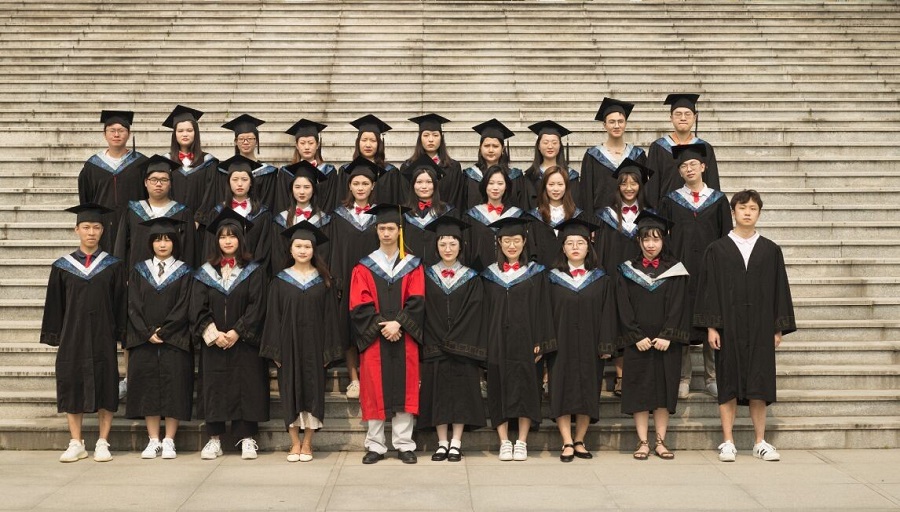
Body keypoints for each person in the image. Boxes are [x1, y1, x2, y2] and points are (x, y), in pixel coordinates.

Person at [693, 189, 796, 463]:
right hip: (728, 326)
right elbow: (709, 290)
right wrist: (711, 327)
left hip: (761, 326)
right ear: (733, 212)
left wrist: (777, 327)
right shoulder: (717, 249)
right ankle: (728, 441)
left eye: (753, 208)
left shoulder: (770, 250)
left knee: (760, 383)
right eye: (742, 208)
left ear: (759, 213)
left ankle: (760, 442)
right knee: (727, 382)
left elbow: (779, 290)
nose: (747, 212)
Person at [41, 204, 126, 463]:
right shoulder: (62, 267)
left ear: (102, 231)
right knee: (72, 383)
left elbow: (120, 303)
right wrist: (56, 335)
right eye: (86, 227)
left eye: (96, 227)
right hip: (72, 336)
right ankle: (76, 442)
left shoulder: (113, 266)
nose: (91, 232)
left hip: (103, 335)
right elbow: (55, 305)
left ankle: (103, 441)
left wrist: (121, 334)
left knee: (106, 383)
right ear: (76, 230)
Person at [260, 222, 343, 463]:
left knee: (313, 392)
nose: (303, 250)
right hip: (288, 346)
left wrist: (328, 351)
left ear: (314, 250)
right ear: (291, 249)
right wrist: (275, 350)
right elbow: (273, 317)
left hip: (316, 346)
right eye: (298, 246)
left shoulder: (324, 281)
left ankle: (307, 443)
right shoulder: (280, 281)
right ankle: (294, 442)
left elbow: (331, 318)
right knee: (289, 391)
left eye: (307, 246)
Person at [349, 204, 425, 465]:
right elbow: (359, 304)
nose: (386, 233)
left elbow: (417, 300)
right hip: (376, 339)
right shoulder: (364, 266)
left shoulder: (412, 265)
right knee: (374, 390)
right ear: (376, 230)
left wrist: (399, 324)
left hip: (404, 338)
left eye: (391, 228)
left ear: (399, 231)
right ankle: (375, 445)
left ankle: (404, 444)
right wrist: (384, 326)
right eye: (382, 228)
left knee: (405, 389)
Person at [191, 209, 269, 460]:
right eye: (223, 236)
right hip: (215, 342)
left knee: (247, 385)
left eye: (232, 236)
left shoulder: (254, 271)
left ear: (240, 239)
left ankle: (246, 438)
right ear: (216, 240)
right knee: (213, 386)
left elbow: (257, 305)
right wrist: (213, 333)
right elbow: (197, 306)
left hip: (244, 342)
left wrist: (237, 331)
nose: (227, 241)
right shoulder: (205, 273)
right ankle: (214, 439)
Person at [659, 143, 732, 399]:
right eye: (683, 166)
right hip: (681, 270)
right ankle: (684, 377)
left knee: (713, 319)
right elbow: (664, 238)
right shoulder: (670, 200)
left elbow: (726, 236)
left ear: (703, 166)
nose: (688, 169)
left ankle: (712, 376)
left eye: (693, 164)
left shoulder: (718, 200)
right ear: (679, 172)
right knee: (681, 321)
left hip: (711, 271)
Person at [616, 210, 690, 460]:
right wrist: (635, 336)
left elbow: (679, 305)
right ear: (638, 241)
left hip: (665, 343)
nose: (651, 244)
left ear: (663, 240)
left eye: (656, 239)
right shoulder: (627, 270)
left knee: (663, 391)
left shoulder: (675, 270)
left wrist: (668, 335)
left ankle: (660, 441)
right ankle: (642, 442)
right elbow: (623, 306)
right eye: (646, 239)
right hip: (638, 343)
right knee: (639, 391)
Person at [481, 217, 555, 461]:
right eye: (506, 241)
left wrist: (541, 342)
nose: (511, 245)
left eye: (516, 240)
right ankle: (504, 441)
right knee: (497, 388)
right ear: (499, 243)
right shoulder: (489, 275)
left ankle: (522, 441)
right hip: (497, 340)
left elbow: (544, 309)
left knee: (527, 387)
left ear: (524, 242)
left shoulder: (536, 274)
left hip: (527, 341)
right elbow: (484, 312)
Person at [547, 218, 617, 462]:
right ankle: (566, 440)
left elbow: (608, 313)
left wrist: (606, 344)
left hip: (590, 344)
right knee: (561, 389)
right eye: (570, 243)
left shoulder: (601, 279)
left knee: (588, 389)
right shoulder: (551, 279)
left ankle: (580, 440)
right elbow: (545, 313)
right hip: (560, 344)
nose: (575, 247)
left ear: (589, 247)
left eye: (580, 243)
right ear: (563, 248)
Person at [418, 216, 486, 462]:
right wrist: (439, 336)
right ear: (436, 246)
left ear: (460, 246)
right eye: (443, 244)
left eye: (452, 244)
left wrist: (454, 338)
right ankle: (442, 443)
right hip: (435, 344)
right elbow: (423, 309)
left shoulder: (472, 277)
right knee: (438, 394)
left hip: (462, 346)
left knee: (461, 394)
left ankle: (456, 442)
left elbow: (475, 310)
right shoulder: (425, 275)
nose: (448, 249)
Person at [125, 217, 194, 460]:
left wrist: (164, 332)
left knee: (175, 386)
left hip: (175, 339)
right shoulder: (139, 270)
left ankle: (169, 440)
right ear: (150, 243)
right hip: (144, 339)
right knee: (148, 388)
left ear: (175, 242)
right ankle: (153, 439)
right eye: (157, 240)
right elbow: (133, 304)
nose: (162, 244)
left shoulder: (185, 271)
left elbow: (184, 305)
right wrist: (146, 332)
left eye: (167, 240)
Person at [593, 158, 653, 396]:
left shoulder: (650, 215)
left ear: (641, 186)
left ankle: (636, 374)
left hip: (641, 277)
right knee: (617, 322)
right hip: (613, 274)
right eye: (624, 183)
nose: (629, 188)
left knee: (637, 321)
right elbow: (601, 249)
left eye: (634, 183)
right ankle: (620, 376)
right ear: (617, 186)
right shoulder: (605, 215)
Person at [328, 156, 384, 400]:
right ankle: (354, 379)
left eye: (365, 183)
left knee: (372, 327)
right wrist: (338, 281)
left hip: (375, 280)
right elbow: (335, 250)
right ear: (349, 186)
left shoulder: (381, 215)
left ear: (373, 186)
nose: (360, 187)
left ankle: (372, 377)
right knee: (349, 329)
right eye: (356, 183)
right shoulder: (339, 216)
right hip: (348, 280)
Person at [77, 110, 148, 253]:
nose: (116, 135)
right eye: (112, 131)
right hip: (103, 225)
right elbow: (86, 199)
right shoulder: (92, 166)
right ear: (105, 134)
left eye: (121, 130)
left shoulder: (141, 163)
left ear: (128, 134)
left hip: (134, 224)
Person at [114, 154, 197, 269]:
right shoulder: (132, 211)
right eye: (153, 180)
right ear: (145, 182)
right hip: (138, 276)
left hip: (174, 276)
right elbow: (121, 248)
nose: (158, 184)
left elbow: (189, 251)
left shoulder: (183, 213)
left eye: (164, 180)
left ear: (170, 184)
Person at [645, 94, 720, 208]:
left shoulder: (705, 148)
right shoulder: (658, 147)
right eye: (678, 114)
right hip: (666, 210)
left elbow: (712, 183)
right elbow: (652, 186)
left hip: (698, 211)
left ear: (695, 117)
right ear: (671, 118)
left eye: (687, 114)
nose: (683, 118)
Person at [204, 155, 273, 273]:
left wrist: (253, 273)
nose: (240, 184)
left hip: (252, 274)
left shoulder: (262, 214)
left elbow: (264, 249)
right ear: (228, 183)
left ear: (251, 183)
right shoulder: (217, 213)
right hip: (222, 272)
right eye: (235, 179)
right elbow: (210, 247)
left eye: (244, 179)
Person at [579, 98, 646, 211]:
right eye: (612, 122)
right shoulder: (592, 156)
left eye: (620, 121)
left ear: (625, 124)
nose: (616, 126)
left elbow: (645, 189)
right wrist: (589, 220)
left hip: (632, 216)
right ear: (604, 125)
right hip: (601, 217)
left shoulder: (638, 155)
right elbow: (586, 192)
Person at [162, 105, 218, 228]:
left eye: (189, 130)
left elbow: (211, 192)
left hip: (200, 226)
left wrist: (198, 219)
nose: (185, 134)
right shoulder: (166, 161)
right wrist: (173, 217)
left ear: (195, 133)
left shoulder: (208, 162)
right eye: (180, 131)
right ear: (174, 134)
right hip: (172, 224)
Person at [209, 114, 280, 212]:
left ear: (256, 141)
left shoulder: (267, 172)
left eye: (250, 138)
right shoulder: (224, 170)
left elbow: (269, 201)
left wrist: (257, 217)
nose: (245, 142)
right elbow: (221, 198)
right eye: (241, 139)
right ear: (235, 142)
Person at [271, 161, 331, 275]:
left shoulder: (324, 220)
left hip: (315, 277)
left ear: (313, 190)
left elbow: (324, 253)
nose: (302, 192)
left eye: (307, 187)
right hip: (287, 277)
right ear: (292, 190)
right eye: (297, 187)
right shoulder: (281, 220)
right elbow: (278, 254)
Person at [462, 165, 524, 272]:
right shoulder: (472, 216)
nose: (495, 188)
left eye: (500, 183)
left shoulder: (516, 215)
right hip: (480, 272)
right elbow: (468, 250)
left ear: (506, 186)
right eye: (491, 183)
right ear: (484, 185)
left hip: (509, 272)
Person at [525, 165, 584, 267]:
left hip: (569, 273)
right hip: (542, 272)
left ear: (566, 187)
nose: (556, 189)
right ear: (544, 187)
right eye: (551, 184)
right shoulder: (534, 217)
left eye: (560, 184)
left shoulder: (577, 216)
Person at [402, 113, 465, 209]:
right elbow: (406, 198)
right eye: (426, 135)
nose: (431, 139)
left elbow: (456, 198)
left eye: (435, 135)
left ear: (441, 138)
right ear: (420, 138)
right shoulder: (408, 166)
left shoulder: (453, 167)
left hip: (445, 216)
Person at [401, 155, 454, 266]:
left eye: (429, 182)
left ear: (435, 184)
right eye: (419, 182)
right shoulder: (403, 212)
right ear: (413, 185)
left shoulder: (447, 211)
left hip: (438, 268)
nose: (424, 186)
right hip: (410, 268)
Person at [278, 118, 339, 213]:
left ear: (317, 145)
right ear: (297, 145)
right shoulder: (286, 173)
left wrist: (320, 219)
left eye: (311, 143)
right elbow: (282, 202)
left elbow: (331, 202)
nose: (307, 147)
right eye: (302, 143)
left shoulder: (329, 172)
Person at [463, 119, 527, 210]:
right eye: (486, 146)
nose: (491, 150)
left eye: (495, 146)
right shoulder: (469, 176)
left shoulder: (515, 177)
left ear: (502, 149)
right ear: (480, 148)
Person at [343, 114, 402, 204]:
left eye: (373, 140)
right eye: (364, 140)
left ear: (379, 144)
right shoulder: (346, 171)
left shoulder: (390, 172)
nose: (368, 145)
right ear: (358, 142)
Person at [524, 120, 580, 210]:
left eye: (554, 143)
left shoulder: (571, 176)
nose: (550, 146)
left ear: (560, 146)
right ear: (538, 146)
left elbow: (576, 204)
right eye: (545, 143)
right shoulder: (531, 176)